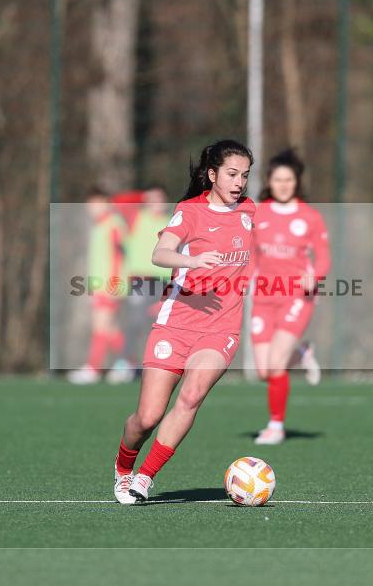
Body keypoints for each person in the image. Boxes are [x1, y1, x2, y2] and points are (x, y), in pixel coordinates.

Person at [111, 140, 256, 504]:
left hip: (222, 326)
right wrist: (190, 261)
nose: (239, 182)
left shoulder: (250, 211)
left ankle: (144, 478)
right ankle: (124, 468)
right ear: (212, 175)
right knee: (146, 417)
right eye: (232, 174)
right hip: (175, 323)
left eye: (245, 175)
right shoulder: (190, 211)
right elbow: (160, 252)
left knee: (191, 397)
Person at [250, 149, 331, 445]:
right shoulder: (258, 213)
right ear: (269, 182)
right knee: (262, 370)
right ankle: (303, 354)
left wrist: (316, 276)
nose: (284, 184)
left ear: (296, 182)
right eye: (278, 179)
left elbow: (323, 257)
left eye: (289, 179)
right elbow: (249, 254)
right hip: (263, 297)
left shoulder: (309, 216)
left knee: (275, 366)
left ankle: (276, 426)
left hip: (296, 296)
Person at [68, 187, 129, 384]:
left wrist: (113, 284)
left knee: (101, 326)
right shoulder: (99, 226)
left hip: (111, 285)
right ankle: (127, 364)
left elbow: (119, 257)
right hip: (100, 286)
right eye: (90, 205)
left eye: (96, 203)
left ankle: (94, 368)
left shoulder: (113, 224)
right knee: (109, 328)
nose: (92, 208)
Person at [112, 187, 172, 380]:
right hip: (141, 280)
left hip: (164, 282)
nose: (157, 203)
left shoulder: (170, 222)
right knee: (134, 323)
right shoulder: (137, 216)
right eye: (152, 198)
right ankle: (127, 364)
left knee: (161, 325)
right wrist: (142, 196)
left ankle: (158, 366)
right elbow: (117, 201)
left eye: (160, 198)